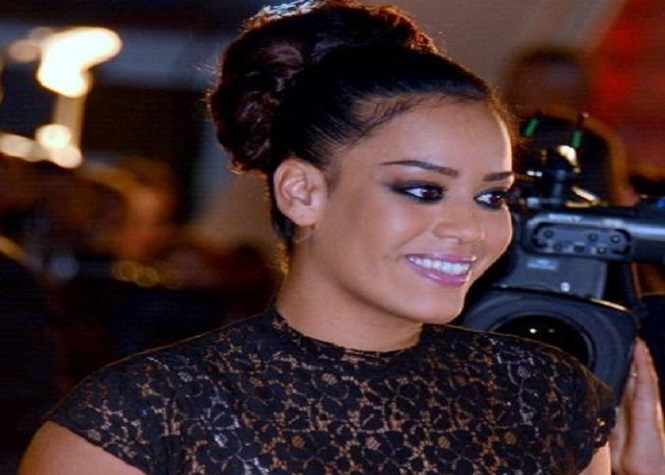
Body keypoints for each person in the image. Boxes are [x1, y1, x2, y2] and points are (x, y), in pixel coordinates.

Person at [16, 1, 663, 473]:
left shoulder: (543, 398)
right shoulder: (137, 422)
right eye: (422, 189)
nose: (470, 227)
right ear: (302, 192)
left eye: (492, 196)